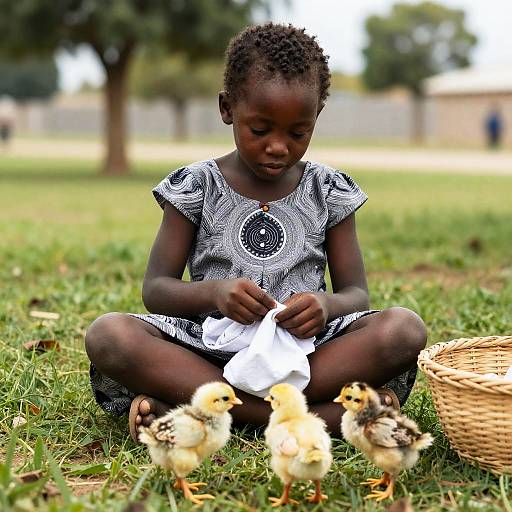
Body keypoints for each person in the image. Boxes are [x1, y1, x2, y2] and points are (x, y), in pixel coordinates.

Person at [85, 23, 427, 438]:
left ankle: (208, 412)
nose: (279, 146)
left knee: (403, 329)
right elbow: (156, 290)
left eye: (298, 132)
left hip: (307, 352)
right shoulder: (196, 186)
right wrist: (214, 293)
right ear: (227, 108)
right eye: (260, 129)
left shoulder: (329, 190)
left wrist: (323, 305)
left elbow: (356, 295)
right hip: (211, 349)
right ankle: (311, 420)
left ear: (316, 116)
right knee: (110, 336)